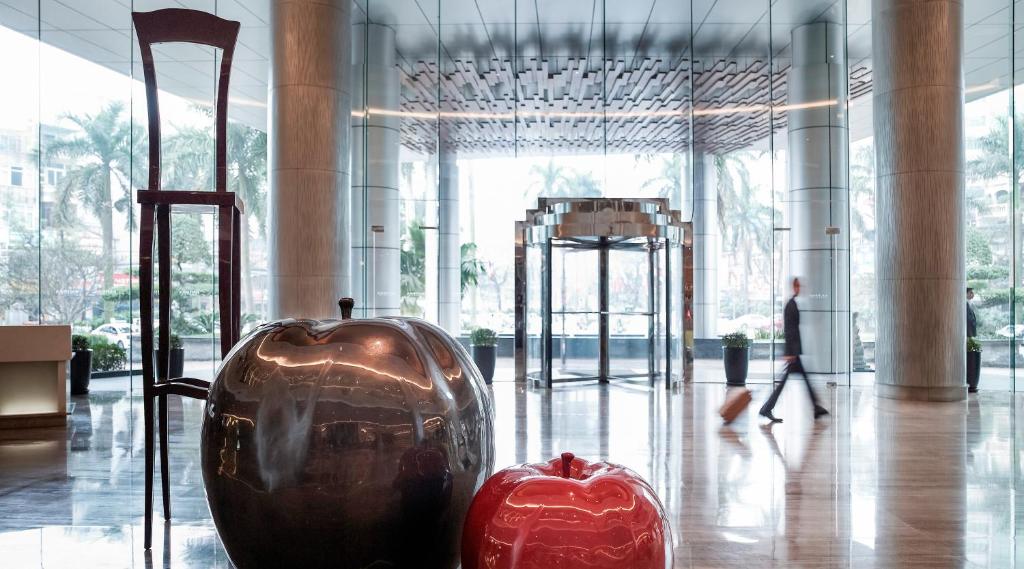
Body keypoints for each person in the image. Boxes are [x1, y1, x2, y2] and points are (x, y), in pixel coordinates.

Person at [759, 277, 828, 423]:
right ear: (793, 287)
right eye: (797, 286)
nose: (799, 289)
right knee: (788, 382)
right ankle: (766, 408)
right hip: (793, 353)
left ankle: (815, 407)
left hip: (794, 351)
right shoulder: (790, 305)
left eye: (799, 286)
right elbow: (790, 330)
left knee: (800, 380)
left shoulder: (792, 304)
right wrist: (790, 353)